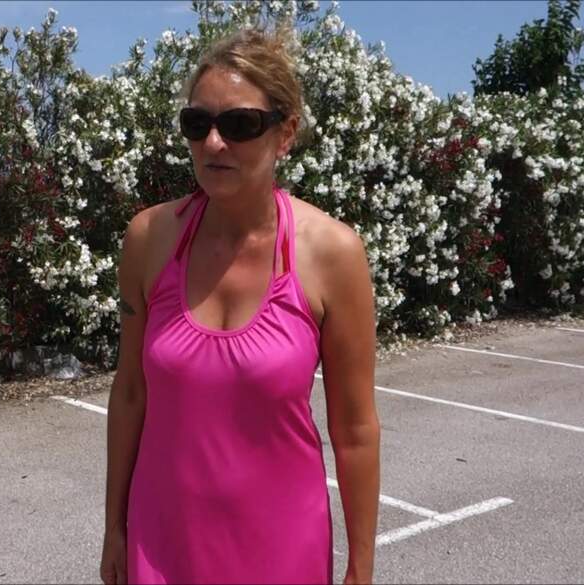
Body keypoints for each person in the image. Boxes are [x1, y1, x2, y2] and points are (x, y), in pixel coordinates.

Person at [101, 26, 380, 585]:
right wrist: (115, 528)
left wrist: (361, 570)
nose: (213, 143)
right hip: (162, 540)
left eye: (240, 125)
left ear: (285, 133)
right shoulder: (149, 239)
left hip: (282, 548)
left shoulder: (331, 254)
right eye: (197, 123)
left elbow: (354, 429)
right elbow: (130, 392)